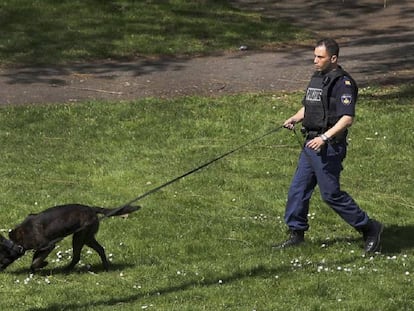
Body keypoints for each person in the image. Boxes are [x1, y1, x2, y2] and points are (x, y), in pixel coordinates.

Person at [275, 38, 383, 253]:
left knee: (330, 194)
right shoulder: (318, 78)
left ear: (333, 58)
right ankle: (296, 233)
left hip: (328, 146)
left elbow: (346, 118)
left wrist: (324, 138)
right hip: (310, 144)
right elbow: (310, 106)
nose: (315, 60)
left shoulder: (343, 83)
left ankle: (369, 228)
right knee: (298, 188)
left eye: (320, 57)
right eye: (314, 56)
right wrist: (295, 118)